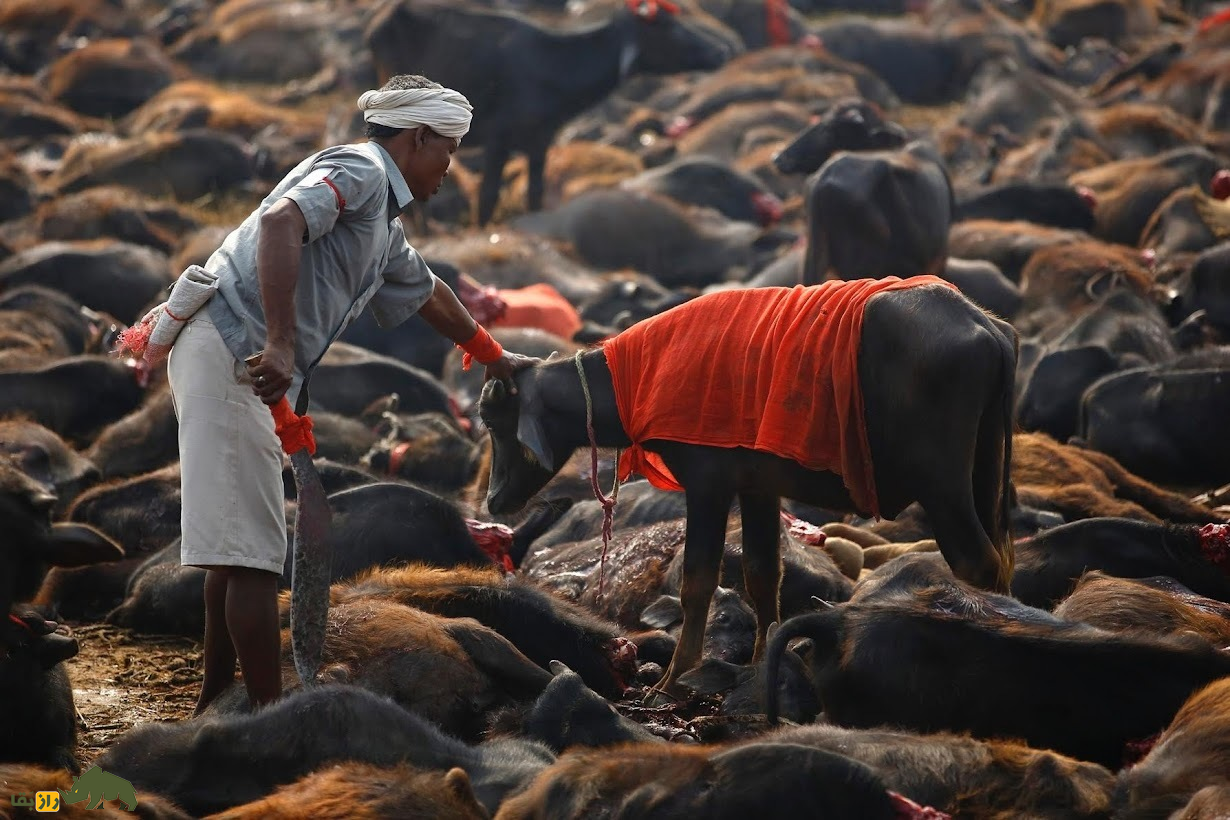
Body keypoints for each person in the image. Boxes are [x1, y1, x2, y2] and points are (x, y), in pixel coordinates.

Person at [164, 74, 535, 714]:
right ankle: (274, 721)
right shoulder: (360, 170)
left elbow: (429, 294)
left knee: (234, 547)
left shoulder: (381, 226)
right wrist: (282, 344)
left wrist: (496, 359)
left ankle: (216, 702)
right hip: (237, 352)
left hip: (238, 357)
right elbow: (282, 222)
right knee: (252, 556)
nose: (450, 171)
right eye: (447, 152)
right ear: (417, 138)